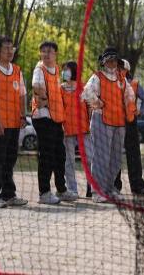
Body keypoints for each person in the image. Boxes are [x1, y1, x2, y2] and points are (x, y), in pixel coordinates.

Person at [81, 47, 134, 203]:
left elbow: (130, 95)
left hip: (119, 122)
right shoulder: (97, 77)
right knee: (101, 158)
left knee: (116, 159)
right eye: (109, 60)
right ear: (103, 62)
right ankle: (97, 192)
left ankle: (109, 189)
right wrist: (97, 102)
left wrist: (130, 108)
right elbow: (86, 92)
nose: (112, 63)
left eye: (114, 60)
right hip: (101, 120)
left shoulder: (121, 79)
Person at [0, 35, 29, 208]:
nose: (10, 51)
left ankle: (9, 195)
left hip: (14, 123)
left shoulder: (17, 70)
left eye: (11, 48)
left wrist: (23, 116)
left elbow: (22, 95)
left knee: (10, 159)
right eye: (6, 48)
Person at [32, 41, 77, 204]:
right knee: (47, 156)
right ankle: (44, 193)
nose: (46, 54)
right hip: (43, 117)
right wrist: (45, 99)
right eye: (43, 51)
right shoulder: (39, 69)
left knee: (60, 155)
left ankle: (61, 190)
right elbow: (36, 86)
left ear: (55, 54)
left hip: (56, 118)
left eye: (49, 51)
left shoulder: (56, 69)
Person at [114, 59, 144, 196]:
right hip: (115, 123)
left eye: (121, 68)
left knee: (134, 156)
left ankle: (138, 186)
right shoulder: (111, 83)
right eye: (117, 68)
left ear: (127, 70)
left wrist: (141, 111)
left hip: (130, 123)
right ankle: (115, 186)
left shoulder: (134, 83)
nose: (118, 70)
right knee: (115, 155)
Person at [60, 60, 93, 198]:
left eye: (66, 69)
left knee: (90, 159)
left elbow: (90, 106)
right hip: (67, 130)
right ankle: (72, 190)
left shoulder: (84, 87)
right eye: (63, 70)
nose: (64, 72)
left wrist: (90, 123)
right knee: (69, 162)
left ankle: (91, 188)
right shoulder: (60, 89)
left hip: (84, 129)